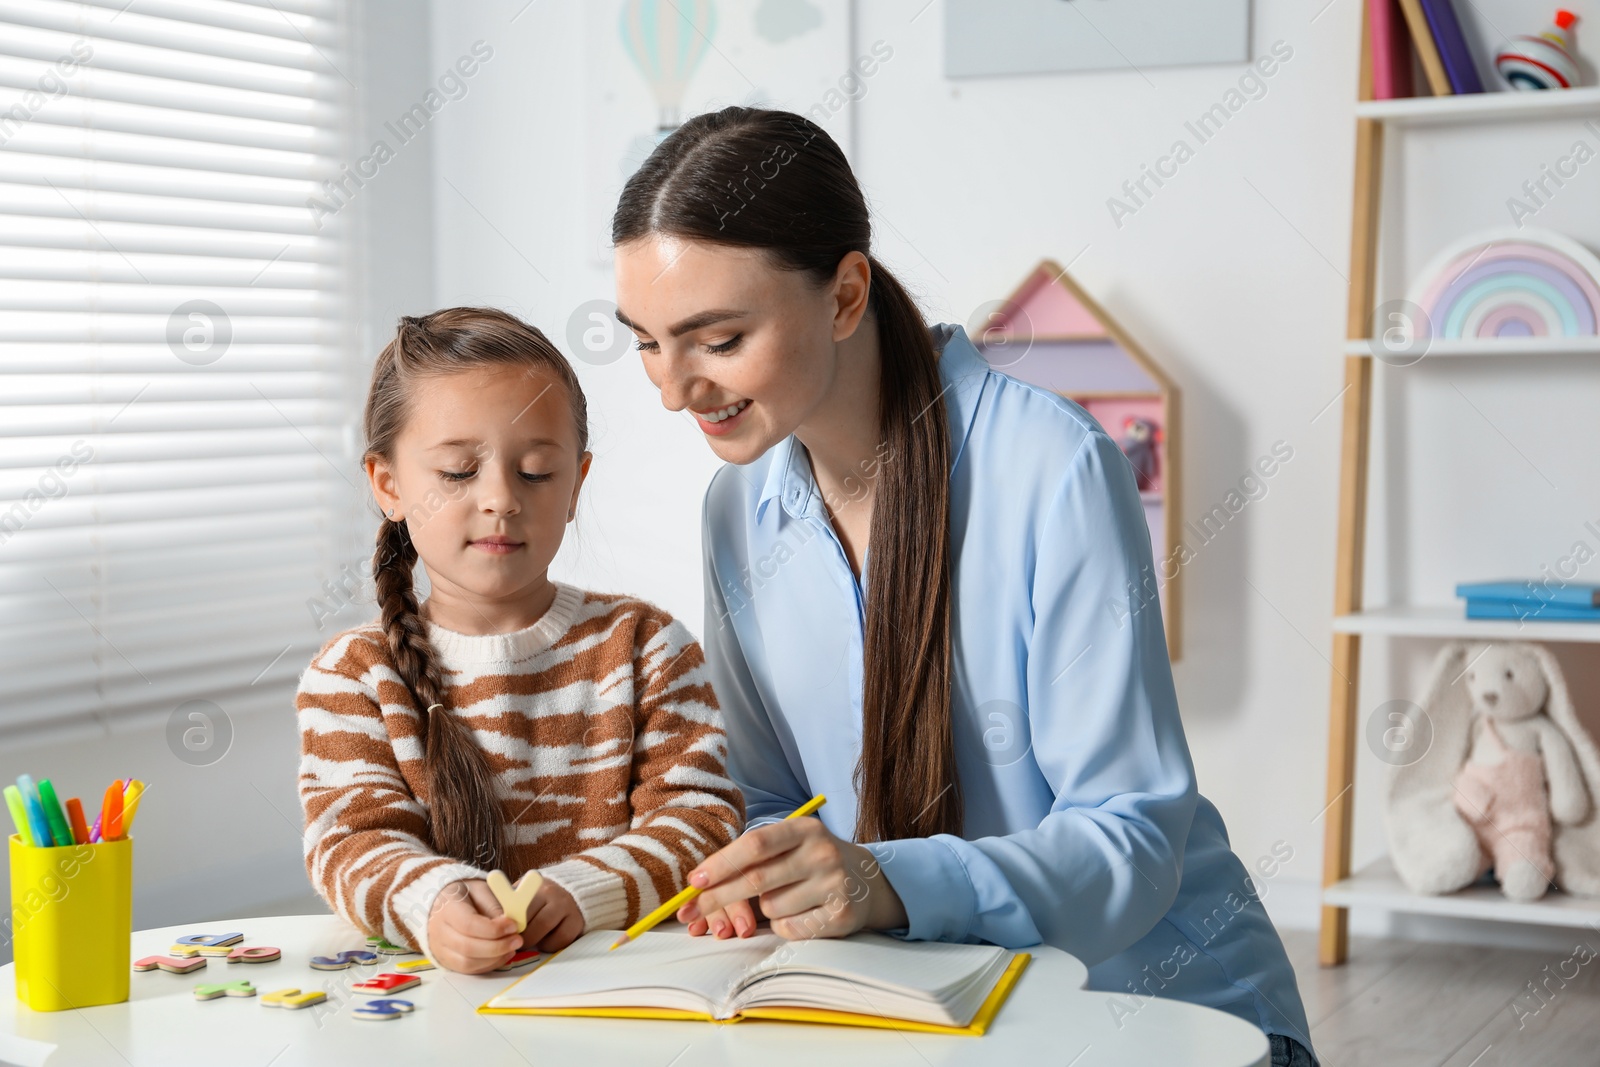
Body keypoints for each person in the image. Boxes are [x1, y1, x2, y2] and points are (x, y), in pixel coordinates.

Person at [610, 107, 1319, 1066]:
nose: (672, 388)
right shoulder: (736, 510)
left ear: (845, 294)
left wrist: (879, 882)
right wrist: (759, 871)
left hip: (1168, 1016)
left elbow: (1132, 840)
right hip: (932, 1010)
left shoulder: (1052, 466)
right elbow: (768, 794)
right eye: (647, 342)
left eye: (718, 339)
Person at [294, 307, 744, 973]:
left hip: (618, 1000)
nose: (501, 498)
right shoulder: (353, 675)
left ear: (575, 486)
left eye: (535, 471)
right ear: (388, 484)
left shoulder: (647, 646)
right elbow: (352, 844)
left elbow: (702, 817)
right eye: (456, 471)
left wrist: (584, 890)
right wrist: (434, 901)